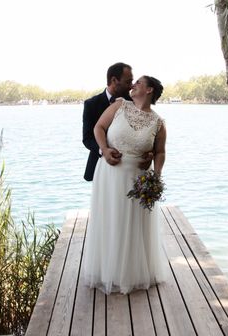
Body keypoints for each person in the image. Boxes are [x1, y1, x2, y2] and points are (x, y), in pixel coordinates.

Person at [81, 75, 169, 294]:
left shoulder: (158, 123)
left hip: (138, 178)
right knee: (111, 219)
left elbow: (160, 152)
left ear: (149, 90)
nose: (133, 85)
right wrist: (105, 149)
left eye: (138, 82)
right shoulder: (119, 105)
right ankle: (106, 270)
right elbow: (98, 128)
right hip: (110, 173)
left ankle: (132, 274)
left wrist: (155, 177)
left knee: (133, 224)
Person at [82, 62, 150, 181]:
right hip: (99, 166)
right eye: (128, 82)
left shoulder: (136, 103)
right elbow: (87, 139)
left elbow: (145, 134)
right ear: (114, 80)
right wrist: (103, 151)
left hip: (131, 169)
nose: (131, 86)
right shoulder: (91, 104)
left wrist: (150, 153)